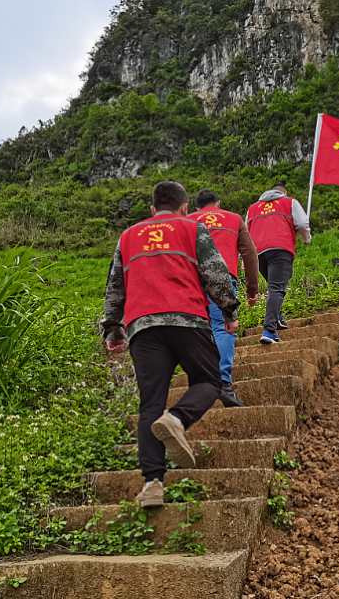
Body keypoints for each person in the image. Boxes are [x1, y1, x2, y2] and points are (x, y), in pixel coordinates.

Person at [101, 181, 239, 507]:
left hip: (142, 327)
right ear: (184, 207)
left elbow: (114, 287)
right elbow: (215, 273)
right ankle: (177, 419)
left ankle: (152, 485)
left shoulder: (128, 236)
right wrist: (229, 310)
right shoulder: (193, 227)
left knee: (150, 404)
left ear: (152, 210)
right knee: (209, 380)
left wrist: (113, 330)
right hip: (187, 318)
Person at [187, 189, 260, 407]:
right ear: (218, 203)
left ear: (196, 207)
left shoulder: (187, 220)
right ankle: (223, 384)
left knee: (198, 330)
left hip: (191, 280)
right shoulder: (234, 219)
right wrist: (252, 288)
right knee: (223, 326)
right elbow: (249, 254)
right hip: (224, 278)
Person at [246, 183, 311, 343]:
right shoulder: (289, 202)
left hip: (257, 253)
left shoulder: (252, 208)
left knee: (273, 285)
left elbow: (245, 233)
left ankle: (278, 317)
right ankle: (269, 330)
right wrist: (306, 238)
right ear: (284, 193)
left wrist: (245, 259)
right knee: (277, 288)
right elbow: (302, 224)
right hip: (280, 249)